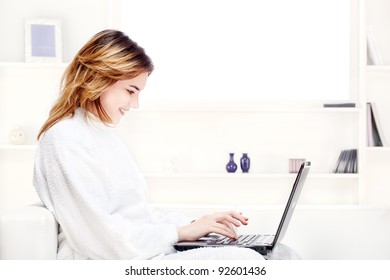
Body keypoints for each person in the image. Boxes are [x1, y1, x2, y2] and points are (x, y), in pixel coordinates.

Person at [33, 29, 298, 260]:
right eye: (131, 90)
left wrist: (196, 224)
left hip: (144, 252)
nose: (134, 104)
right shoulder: (64, 138)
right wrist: (181, 233)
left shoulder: (100, 134)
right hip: (117, 261)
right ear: (98, 78)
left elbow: (138, 217)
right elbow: (101, 238)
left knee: (280, 253)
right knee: (248, 261)